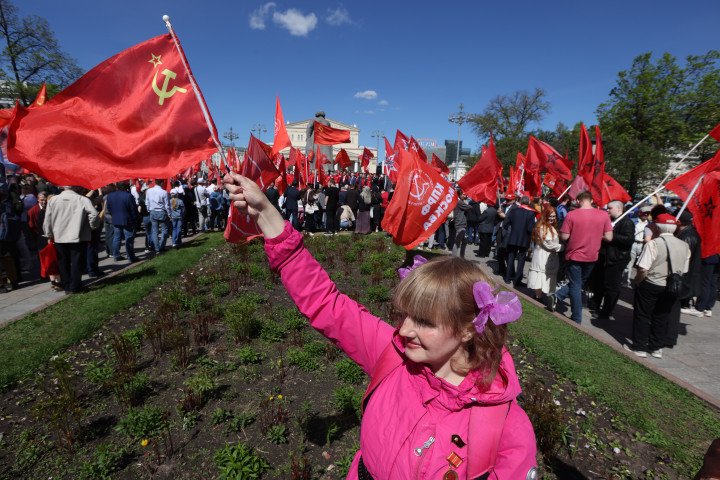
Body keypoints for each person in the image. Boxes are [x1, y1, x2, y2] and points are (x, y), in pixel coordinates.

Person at [223, 172, 538, 479]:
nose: (403, 331)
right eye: (404, 316)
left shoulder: (506, 426)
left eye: (425, 321)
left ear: (468, 328)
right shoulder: (393, 355)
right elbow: (326, 304)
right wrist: (265, 213)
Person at [625, 214, 690, 358]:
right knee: (662, 316)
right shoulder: (684, 245)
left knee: (642, 315)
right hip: (671, 286)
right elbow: (684, 270)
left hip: (651, 283)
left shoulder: (653, 244)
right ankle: (656, 347)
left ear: (658, 227)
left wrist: (638, 281)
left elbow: (643, 268)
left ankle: (639, 347)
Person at [549, 191, 613, 324]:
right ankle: (558, 296)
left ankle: (576, 316)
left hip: (575, 255)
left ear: (578, 201)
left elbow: (565, 236)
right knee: (578, 283)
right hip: (592, 256)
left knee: (576, 285)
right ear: (591, 200)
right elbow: (609, 237)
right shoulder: (603, 215)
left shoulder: (572, 214)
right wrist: (596, 235)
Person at [43, 186, 100, 294]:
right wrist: (92, 226)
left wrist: (49, 234)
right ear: (75, 188)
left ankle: (68, 286)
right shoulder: (82, 199)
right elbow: (94, 214)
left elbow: (47, 219)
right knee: (77, 262)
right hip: (78, 235)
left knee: (63, 262)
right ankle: (75, 286)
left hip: (59, 236)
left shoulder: (53, 200)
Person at [590, 201, 635, 320]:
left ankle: (606, 311)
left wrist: (610, 236)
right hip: (603, 257)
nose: (607, 210)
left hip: (616, 259)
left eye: (610, 208)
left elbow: (628, 239)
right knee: (599, 284)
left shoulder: (627, 222)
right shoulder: (609, 221)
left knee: (612, 287)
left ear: (619, 208)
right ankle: (595, 306)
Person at [527, 207, 561, 302]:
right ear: (545, 216)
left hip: (550, 257)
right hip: (542, 255)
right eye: (550, 216)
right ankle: (538, 297)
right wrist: (561, 247)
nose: (552, 218)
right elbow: (548, 244)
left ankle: (542, 295)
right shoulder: (541, 227)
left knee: (547, 276)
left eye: (554, 216)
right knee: (540, 275)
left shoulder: (551, 227)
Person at [502, 195, 536, 288]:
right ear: (528, 202)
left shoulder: (513, 211)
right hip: (524, 239)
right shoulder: (531, 213)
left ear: (520, 202)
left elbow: (506, 223)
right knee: (521, 260)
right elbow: (530, 228)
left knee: (511, 258)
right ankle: (517, 280)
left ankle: (507, 278)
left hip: (513, 238)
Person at [675, 211, 703, 317]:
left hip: (685, 274)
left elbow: (684, 257)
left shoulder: (687, 236)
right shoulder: (690, 233)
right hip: (689, 273)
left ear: (679, 222)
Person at [105, 182, 138, 262]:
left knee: (117, 238)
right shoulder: (128, 196)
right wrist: (134, 219)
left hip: (116, 219)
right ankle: (130, 257)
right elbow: (133, 209)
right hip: (127, 220)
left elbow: (108, 208)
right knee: (128, 239)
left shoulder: (110, 196)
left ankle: (116, 255)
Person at [626, 206, 651, 285]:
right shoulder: (633, 221)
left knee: (641, 265)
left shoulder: (650, 224)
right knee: (629, 263)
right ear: (640, 213)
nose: (646, 214)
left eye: (648, 213)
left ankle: (638, 281)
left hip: (643, 245)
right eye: (644, 213)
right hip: (633, 243)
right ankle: (626, 280)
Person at [145, 179, 171, 253]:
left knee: (155, 231)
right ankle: (161, 246)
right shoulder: (164, 192)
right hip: (161, 211)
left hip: (153, 211)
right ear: (162, 183)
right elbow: (167, 205)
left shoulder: (149, 191)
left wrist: (149, 210)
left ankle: (157, 248)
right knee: (164, 230)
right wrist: (169, 214)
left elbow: (147, 202)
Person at [451, 191, 471, 258]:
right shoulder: (459, 202)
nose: (464, 196)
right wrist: (473, 203)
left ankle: (462, 256)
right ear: (459, 195)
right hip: (460, 224)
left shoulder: (461, 201)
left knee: (464, 241)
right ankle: (454, 258)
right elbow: (469, 207)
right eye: (463, 194)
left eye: (465, 195)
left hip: (462, 224)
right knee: (457, 242)